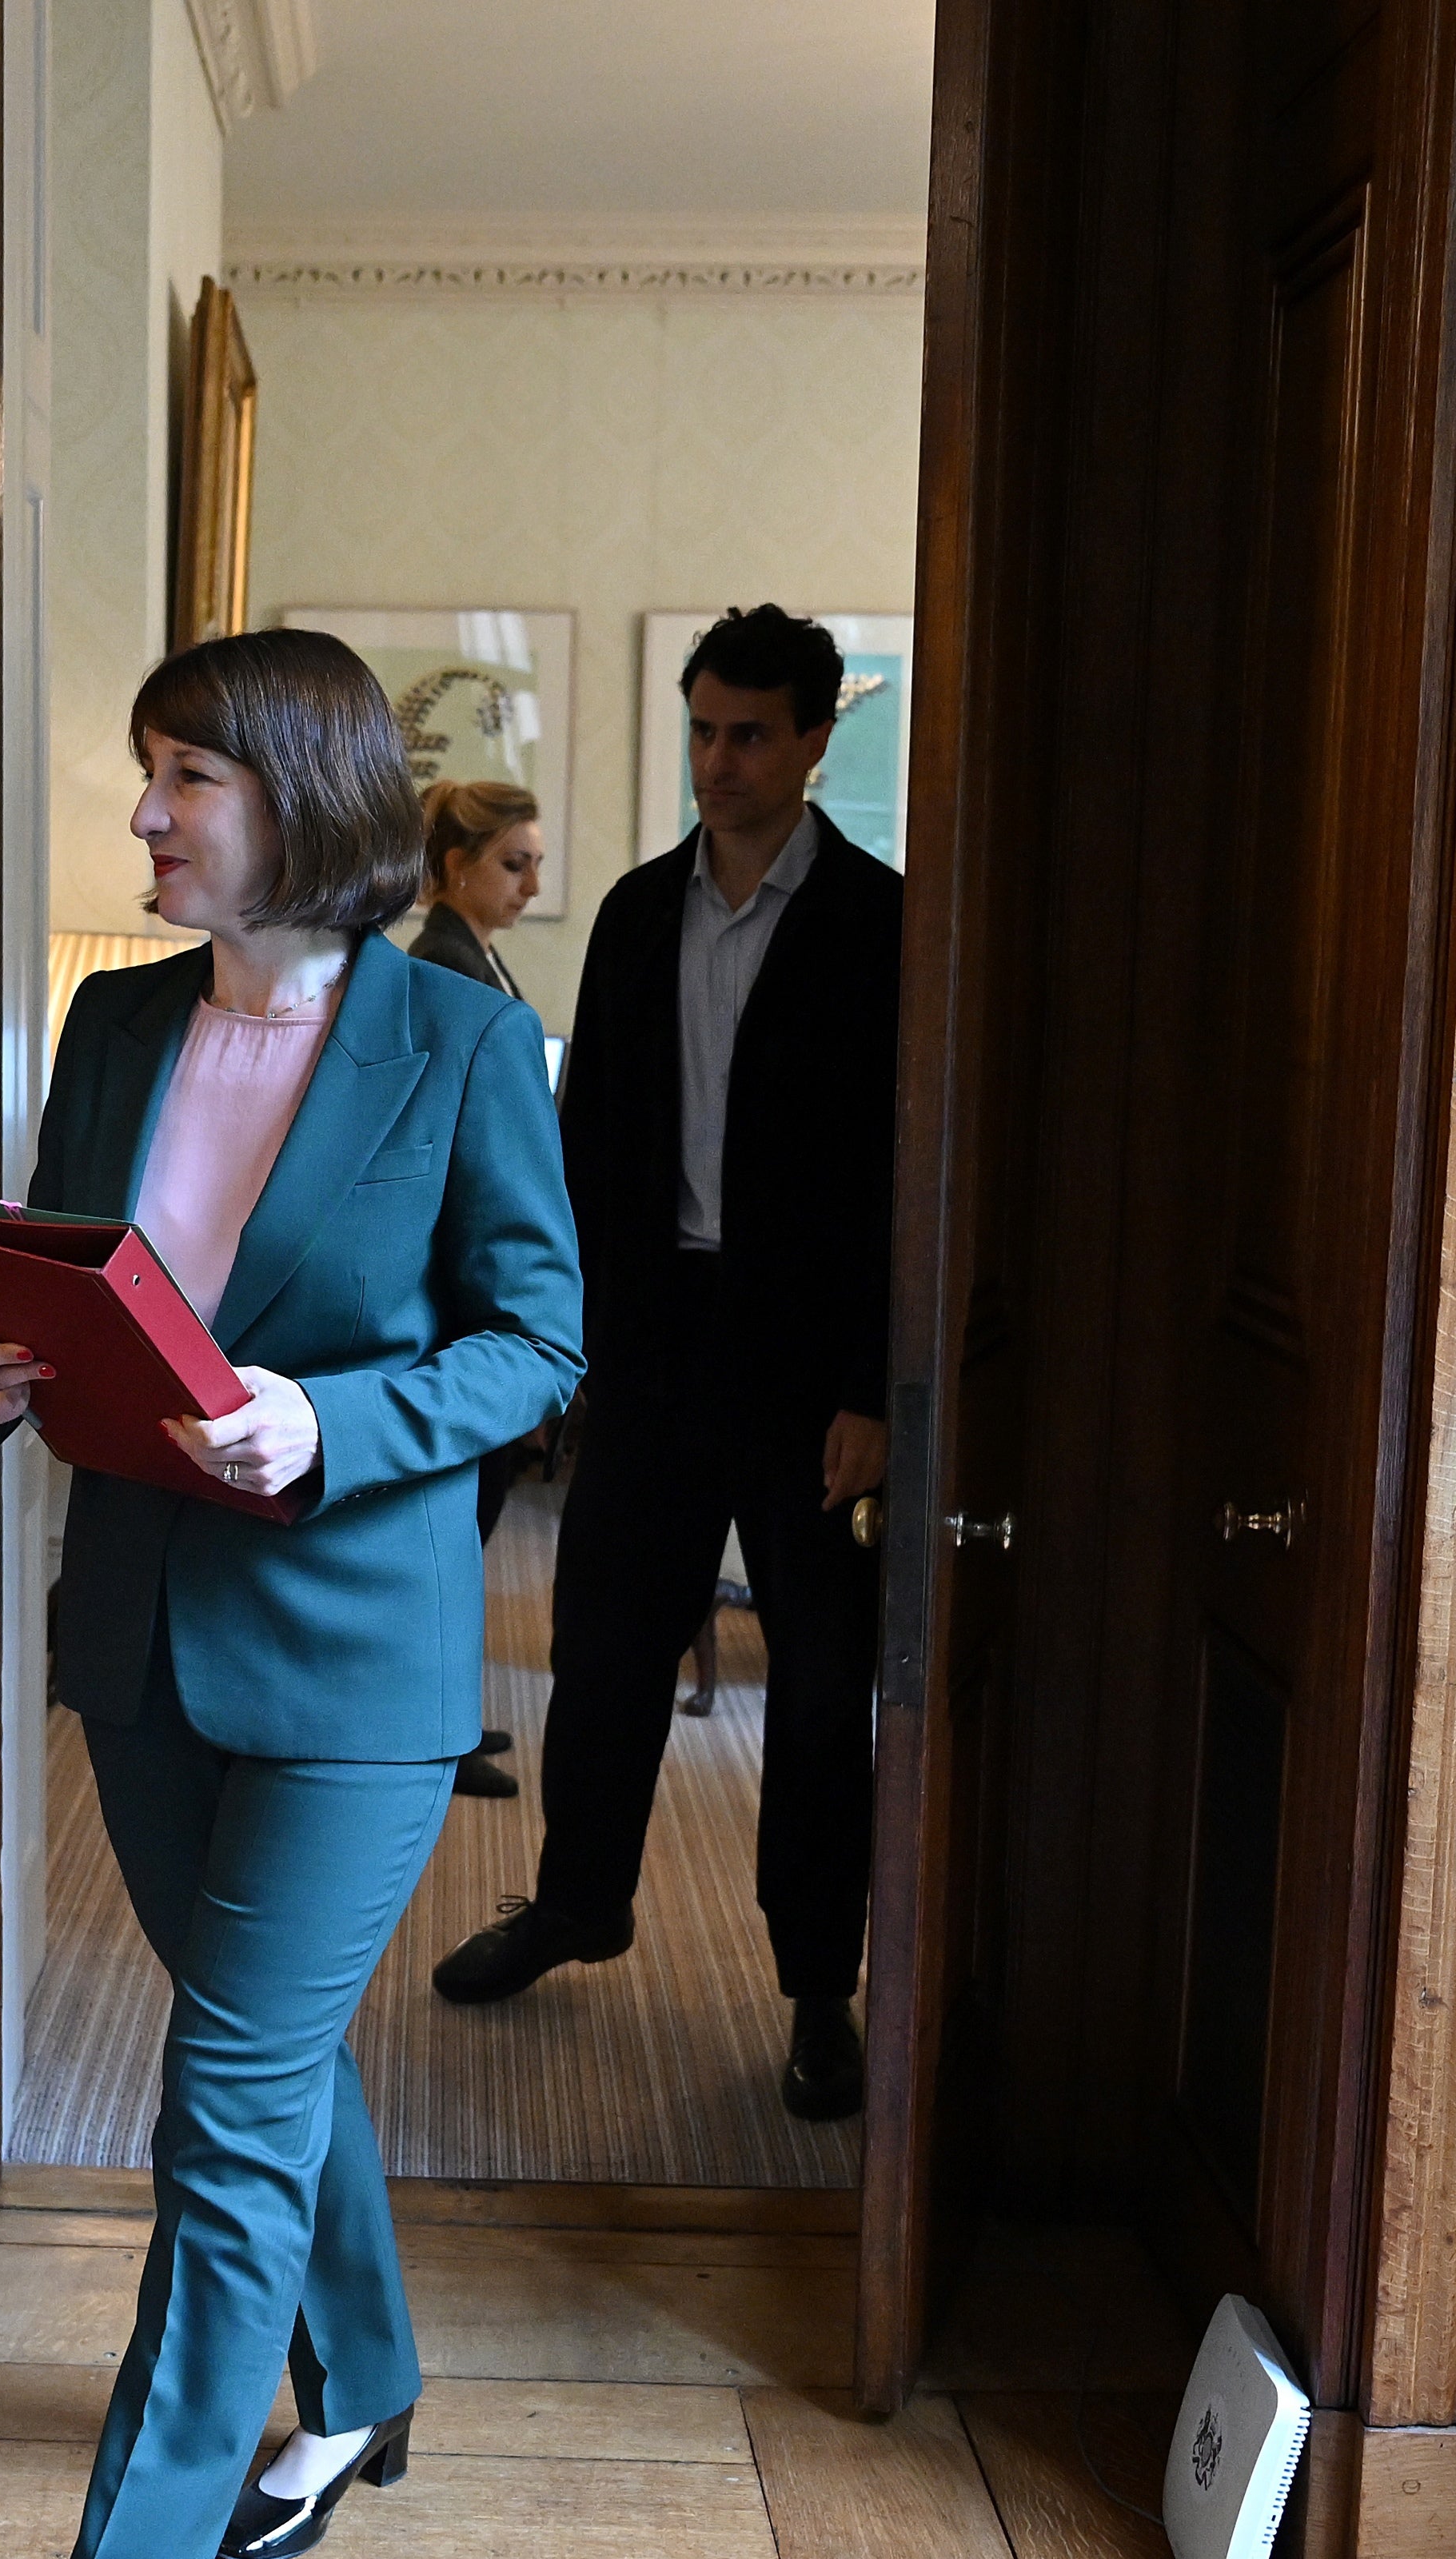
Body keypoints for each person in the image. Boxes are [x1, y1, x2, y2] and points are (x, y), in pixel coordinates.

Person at [0, 629, 584, 2559]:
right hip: (135, 1628)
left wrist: (333, 1418)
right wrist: (0, 1371)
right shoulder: (118, 1023)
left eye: (182, 773)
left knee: (215, 2108)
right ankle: (367, 2381)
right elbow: (85, 1285)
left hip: (353, 1660)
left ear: (295, 791)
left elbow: (535, 1344)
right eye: (148, 773)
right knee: (265, 2049)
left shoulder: (455, 1041)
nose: (145, 815)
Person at [427, 605, 896, 2124]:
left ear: (817, 739)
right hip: (650, 1341)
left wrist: (880, 1391)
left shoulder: (887, 926)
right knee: (604, 1647)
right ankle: (579, 1899)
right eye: (700, 728)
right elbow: (583, 1152)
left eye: (749, 732)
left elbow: (909, 1175)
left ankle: (820, 1984)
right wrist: (560, 1339)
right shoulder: (635, 913)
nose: (717, 760)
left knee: (821, 1692)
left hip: (812, 1366)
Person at [404, 779, 549, 1796]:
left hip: (480, 1287)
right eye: (514, 861)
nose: (532, 882)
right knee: (448, 1526)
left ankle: (445, 1717)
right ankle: (429, 1731)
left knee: (472, 1516)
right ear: (455, 869)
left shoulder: (480, 960)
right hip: (455, 1300)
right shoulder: (436, 969)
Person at [406, 777, 542, 1000]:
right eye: (515, 865)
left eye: (538, 865)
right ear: (458, 864)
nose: (533, 887)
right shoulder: (446, 959)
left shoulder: (474, 950)